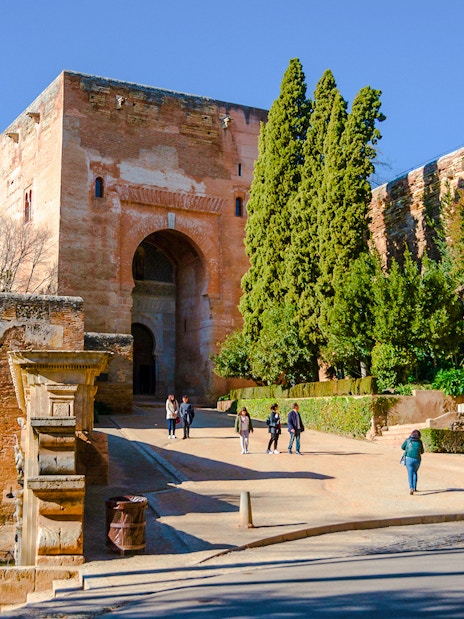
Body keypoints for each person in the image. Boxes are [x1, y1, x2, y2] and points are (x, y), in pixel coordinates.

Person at [401, 429, 424, 495]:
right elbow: (422, 452)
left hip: (408, 458)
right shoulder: (420, 442)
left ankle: (411, 488)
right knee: (415, 472)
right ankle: (414, 487)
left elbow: (402, 447)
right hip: (417, 459)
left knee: (410, 473)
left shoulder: (408, 440)